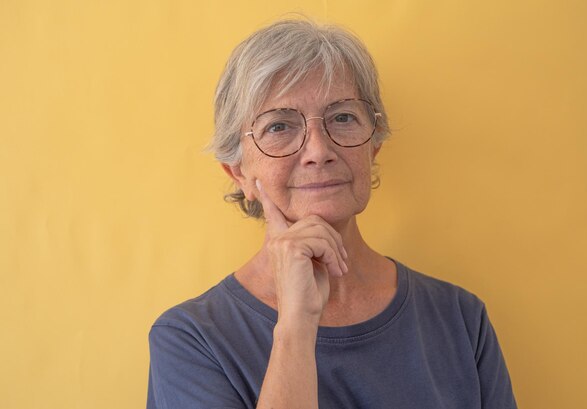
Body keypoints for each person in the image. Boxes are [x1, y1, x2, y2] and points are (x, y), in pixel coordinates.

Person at [147, 18, 517, 409]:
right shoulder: (191, 340)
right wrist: (296, 327)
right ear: (238, 171)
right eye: (279, 126)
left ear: (372, 146)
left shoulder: (460, 319)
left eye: (342, 117)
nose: (318, 150)